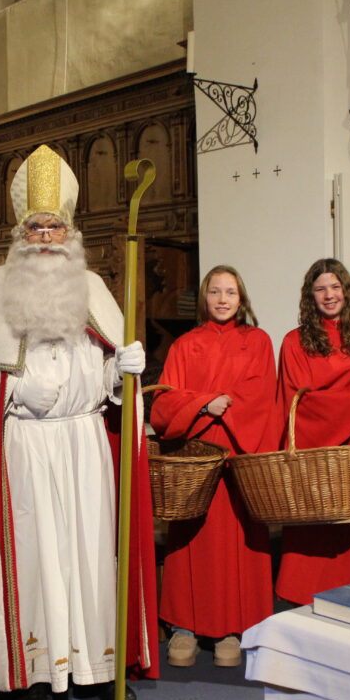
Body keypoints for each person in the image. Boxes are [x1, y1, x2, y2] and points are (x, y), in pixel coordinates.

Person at [0, 144, 159, 700]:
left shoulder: (94, 290)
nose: (44, 236)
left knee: (89, 554)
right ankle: (32, 675)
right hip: (25, 448)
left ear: (70, 230)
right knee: (34, 559)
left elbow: (105, 373)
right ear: (18, 231)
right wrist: (11, 391)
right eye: (35, 226)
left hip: (85, 444)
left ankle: (93, 666)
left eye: (54, 225)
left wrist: (121, 373)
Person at [150, 265, 275, 667]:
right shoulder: (185, 344)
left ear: (242, 299)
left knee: (238, 541)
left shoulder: (257, 341)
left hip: (238, 453)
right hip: (195, 457)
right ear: (204, 297)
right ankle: (183, 626)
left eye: (231, 293)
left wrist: (220, 402)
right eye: (215, 292)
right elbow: (166, 401)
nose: (223, 300)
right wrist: (205, 403)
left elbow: (260, 396)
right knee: (190, 540)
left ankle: (232, 629)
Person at [274, 259, 350, 603]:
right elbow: (298, 403)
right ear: (309, 296)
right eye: (320, 288)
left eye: (335, 286)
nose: (329, 295)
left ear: (347, 289)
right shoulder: (295, 342)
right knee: (310, 536)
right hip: (316, 455)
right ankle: (301, 607)